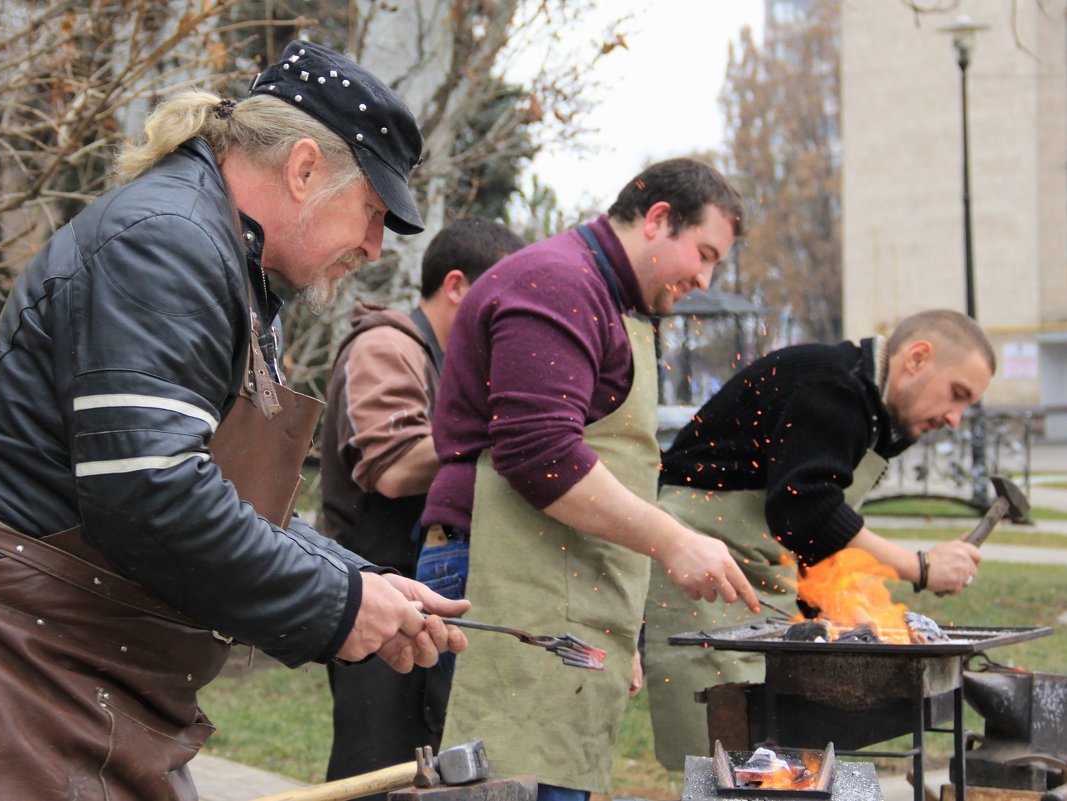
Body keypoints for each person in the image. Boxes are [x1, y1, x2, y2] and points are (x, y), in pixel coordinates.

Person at [0, 41, 470, 801]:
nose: (376, 247)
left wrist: (362, 579)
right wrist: (337, 606)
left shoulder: (229, 264)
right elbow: (151, 493)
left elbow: (222, 501)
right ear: (304, 167)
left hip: (89, 676)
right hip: (20, 672)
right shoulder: (168, 241)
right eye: (374, 212)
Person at [421, 158, 761, 801]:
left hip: (561, 592)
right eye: (704, 252)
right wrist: (674, 540)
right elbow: (538, 452)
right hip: (497, 582)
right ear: (659, 219)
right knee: (504, 786)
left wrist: (616, 629)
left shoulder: (609, 299)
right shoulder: (558, 282)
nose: (705, 277)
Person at [644, 308, 994, 766]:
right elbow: (805, 510)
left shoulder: (871, 412)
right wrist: (920, 566)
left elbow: (816, 535)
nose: (955, 419)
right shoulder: (831, 387)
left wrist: (838, 609)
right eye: (957, 395)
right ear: (918, 359)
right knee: (732, 767)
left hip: (766, 581)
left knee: (780, 764)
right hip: (707, 576)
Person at [320, 217, 525, 788]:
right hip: (373, 590)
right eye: (501, 294)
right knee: (379, 774)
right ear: (457, 285)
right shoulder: (387, 345)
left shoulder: (461, 364)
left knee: (434, 777)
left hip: (427, 597)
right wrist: (510, 428)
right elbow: (392, 469)